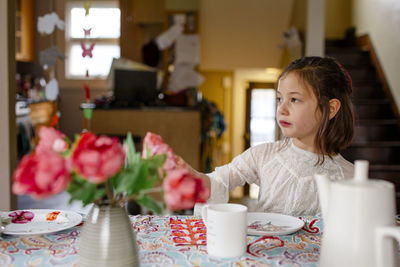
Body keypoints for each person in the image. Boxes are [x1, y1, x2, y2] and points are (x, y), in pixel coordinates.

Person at [192, 56, 355, 216]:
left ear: (331, 108)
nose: (281, 109)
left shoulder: (350, 177)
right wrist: (190, 177)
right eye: (279, 99)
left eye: (294, 99)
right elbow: (218, 181)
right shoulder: (263, 155)